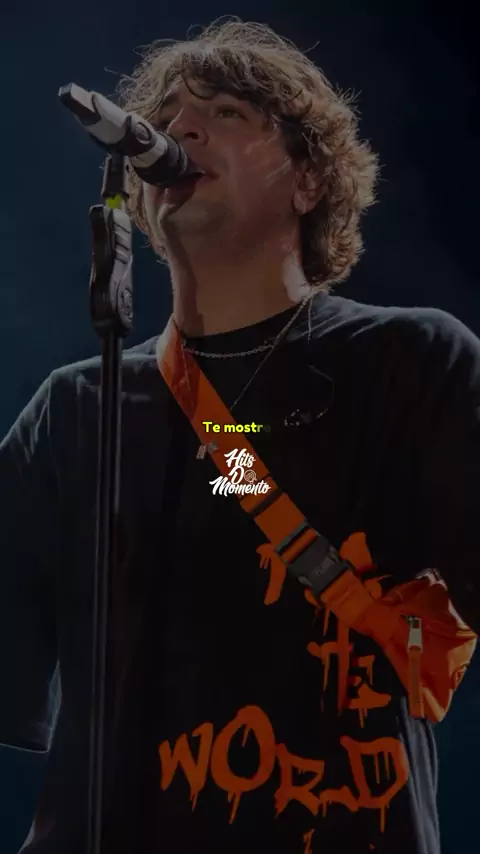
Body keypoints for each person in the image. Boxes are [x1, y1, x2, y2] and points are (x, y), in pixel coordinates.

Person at [1, 17, 479, 854]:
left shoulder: (412, 361)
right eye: (169, 116)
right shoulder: (74, 406)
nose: (182, 128)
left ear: (308, 181)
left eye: (226, 113)